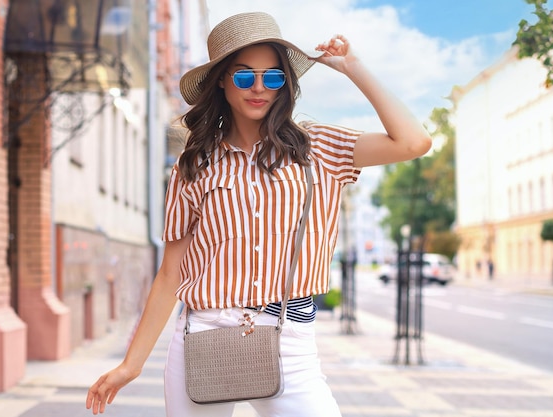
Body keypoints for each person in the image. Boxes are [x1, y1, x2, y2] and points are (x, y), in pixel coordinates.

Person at [86, 11, 431, 417]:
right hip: (204, 334)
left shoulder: (316, 148)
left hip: (289, 336)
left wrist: (353, 68)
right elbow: (170, 274)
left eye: (273, 77)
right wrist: (132, 364)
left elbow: (414, 142)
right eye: (245, 76)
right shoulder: (194, 164)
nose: (260, 88)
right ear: (221, 79)